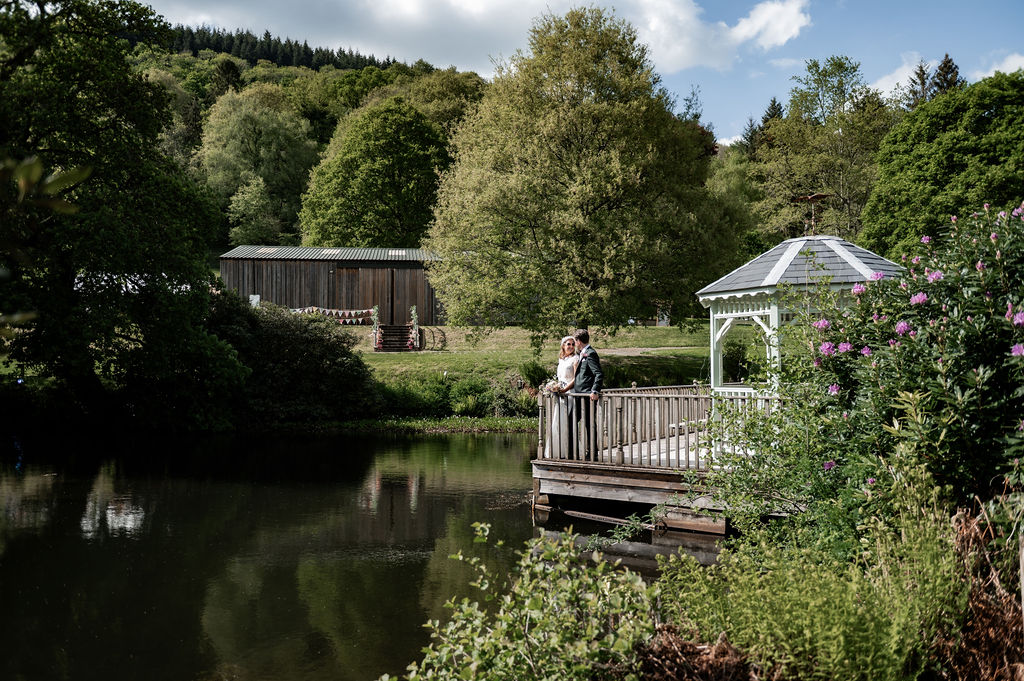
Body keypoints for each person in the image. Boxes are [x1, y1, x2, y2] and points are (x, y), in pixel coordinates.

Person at [544, 336, 578, 459]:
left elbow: (575, 378)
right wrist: (554, 387)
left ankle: (569, 451)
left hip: (569, 393)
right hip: (559, 393)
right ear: (563, 346)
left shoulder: (575, 359)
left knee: (566, 422)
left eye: (573, 344)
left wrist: (564, 389)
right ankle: (556, 450)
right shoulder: (561, 359)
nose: (571, 346)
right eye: (568, 344)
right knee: (557, 421)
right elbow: (560, 377)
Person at [572, 328, 603, 461]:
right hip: (578, 395)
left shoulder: (590, 354)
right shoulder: (582, 353)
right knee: (572, 420)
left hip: (586, 395)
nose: (575, 344)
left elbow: (599, 374)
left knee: (589, 424)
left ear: (578, 341)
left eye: (575, 341)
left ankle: (592, 453)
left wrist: (595, 391)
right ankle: (573, 449)